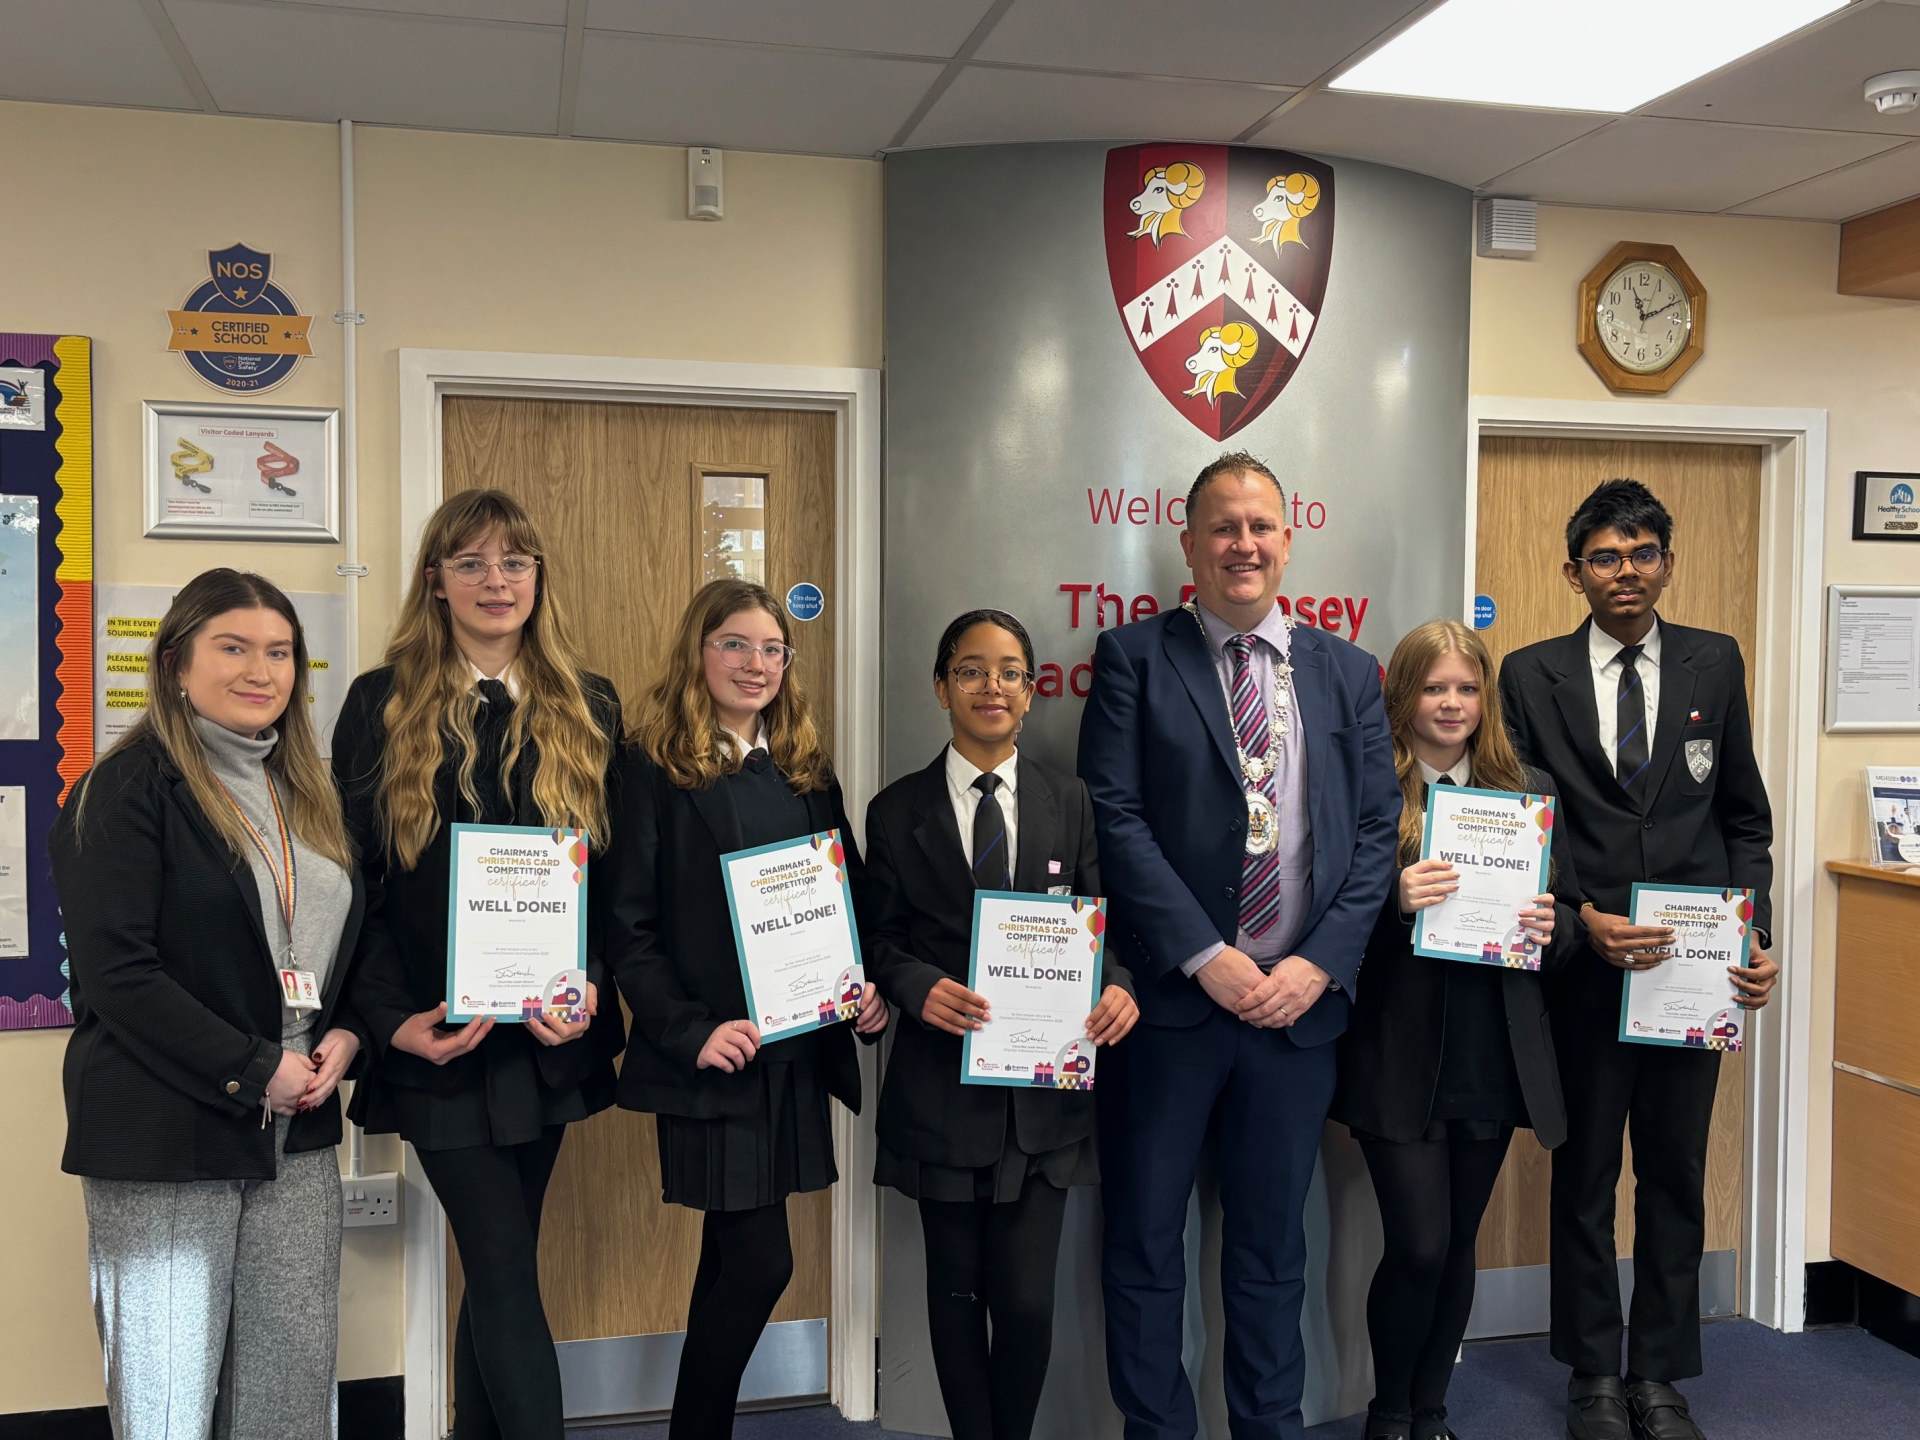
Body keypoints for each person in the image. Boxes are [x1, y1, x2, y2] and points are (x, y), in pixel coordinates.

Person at [1077, 451, 1400, 1440]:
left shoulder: (1348, 673)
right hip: (1172, 1010)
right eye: (1223, 527)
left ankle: (1270, 1427)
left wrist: (1318, 963)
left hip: (1296, 1016)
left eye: (1261, 526)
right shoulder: (1135, 658)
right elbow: (1115, 817)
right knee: (1145, 1244)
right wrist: (1202, 955)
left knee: (1272, 1252)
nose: (1243, 545)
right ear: (1189, 545)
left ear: (1289, 540)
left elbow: (1375, 833)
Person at [332, 489, 623, 1440]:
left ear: (539, 578)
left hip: (545, 1044)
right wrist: (391, 1022)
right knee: (502, 1269)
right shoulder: (379, 703)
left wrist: (589, 983)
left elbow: (613, 881)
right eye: (471, 563)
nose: (496, 581)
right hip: (440, 1044)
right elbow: (356, 887)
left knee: (503, 1268)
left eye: (514, 562)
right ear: (436, 581)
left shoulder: (590, 703)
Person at [52, 568, 365, 1439]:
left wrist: (349, 1033)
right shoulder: (121, 792)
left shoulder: (312, 795)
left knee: (290, 1398)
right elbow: (119, 977)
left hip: (298, 1131)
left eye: (280, 652)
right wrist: (256, 1067)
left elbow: (355, 942)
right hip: (169, 1134)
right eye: (233, 647)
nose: (260, 671)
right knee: (166, 1408)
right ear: (176, 663)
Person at [1498, 479, 1779, 1440]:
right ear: (1573, 572)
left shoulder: (1714, 661)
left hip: (1692, 976)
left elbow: (1743, 817)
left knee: (1674, 1175)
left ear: (1667, 563)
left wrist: (1754, 933)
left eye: (1644, 553)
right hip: (1587, 969)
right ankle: (1592, 1375)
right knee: (1583, 1180)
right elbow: (1532, 823)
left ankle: (1657, 1372)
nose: (1628, 571)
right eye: (1607, 557)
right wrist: (1583, 916)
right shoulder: (1530, 674)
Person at [608, 578, 890, 1440]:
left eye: (772, 648)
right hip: (716, 1057)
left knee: (732, 1257)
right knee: (762, 1262)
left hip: (794, 1054)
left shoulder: (803, 766)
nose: (756, 663)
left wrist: (863, 989)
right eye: (734, 643)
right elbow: (628, 926)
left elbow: (848, 898)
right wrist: (690, 1031)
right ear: (697, 651)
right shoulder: (649, 767)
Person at [865, 608, 1139, 1440]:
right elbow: (877, 938)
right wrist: (916, 987)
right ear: (941, 686)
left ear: (1030, 690)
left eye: (1010, 671)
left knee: (1024, 1303)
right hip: (941, 1090)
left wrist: (1118, 986)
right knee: (955, 1295)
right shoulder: (895, 810)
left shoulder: (1070, 800)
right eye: (972, 669)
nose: (993, 686)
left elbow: (1101, 924)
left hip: (1042, 1097)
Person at [1331, 619, 1576, 1440]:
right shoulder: (1367, 786)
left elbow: (1571, 923)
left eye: (1467, 688)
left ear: (1486, 700)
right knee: (1419, 1245)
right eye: (1434, 687)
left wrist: (1553, 925)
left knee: (1459, 1242)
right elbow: (1321, 916)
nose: (1451, 704)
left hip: (1491, 1050)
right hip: (1395, 1050)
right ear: (1403, 696)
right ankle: (1388, 1411)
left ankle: (1431, 1410)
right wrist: (1394, 901)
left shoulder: (1527, 791)